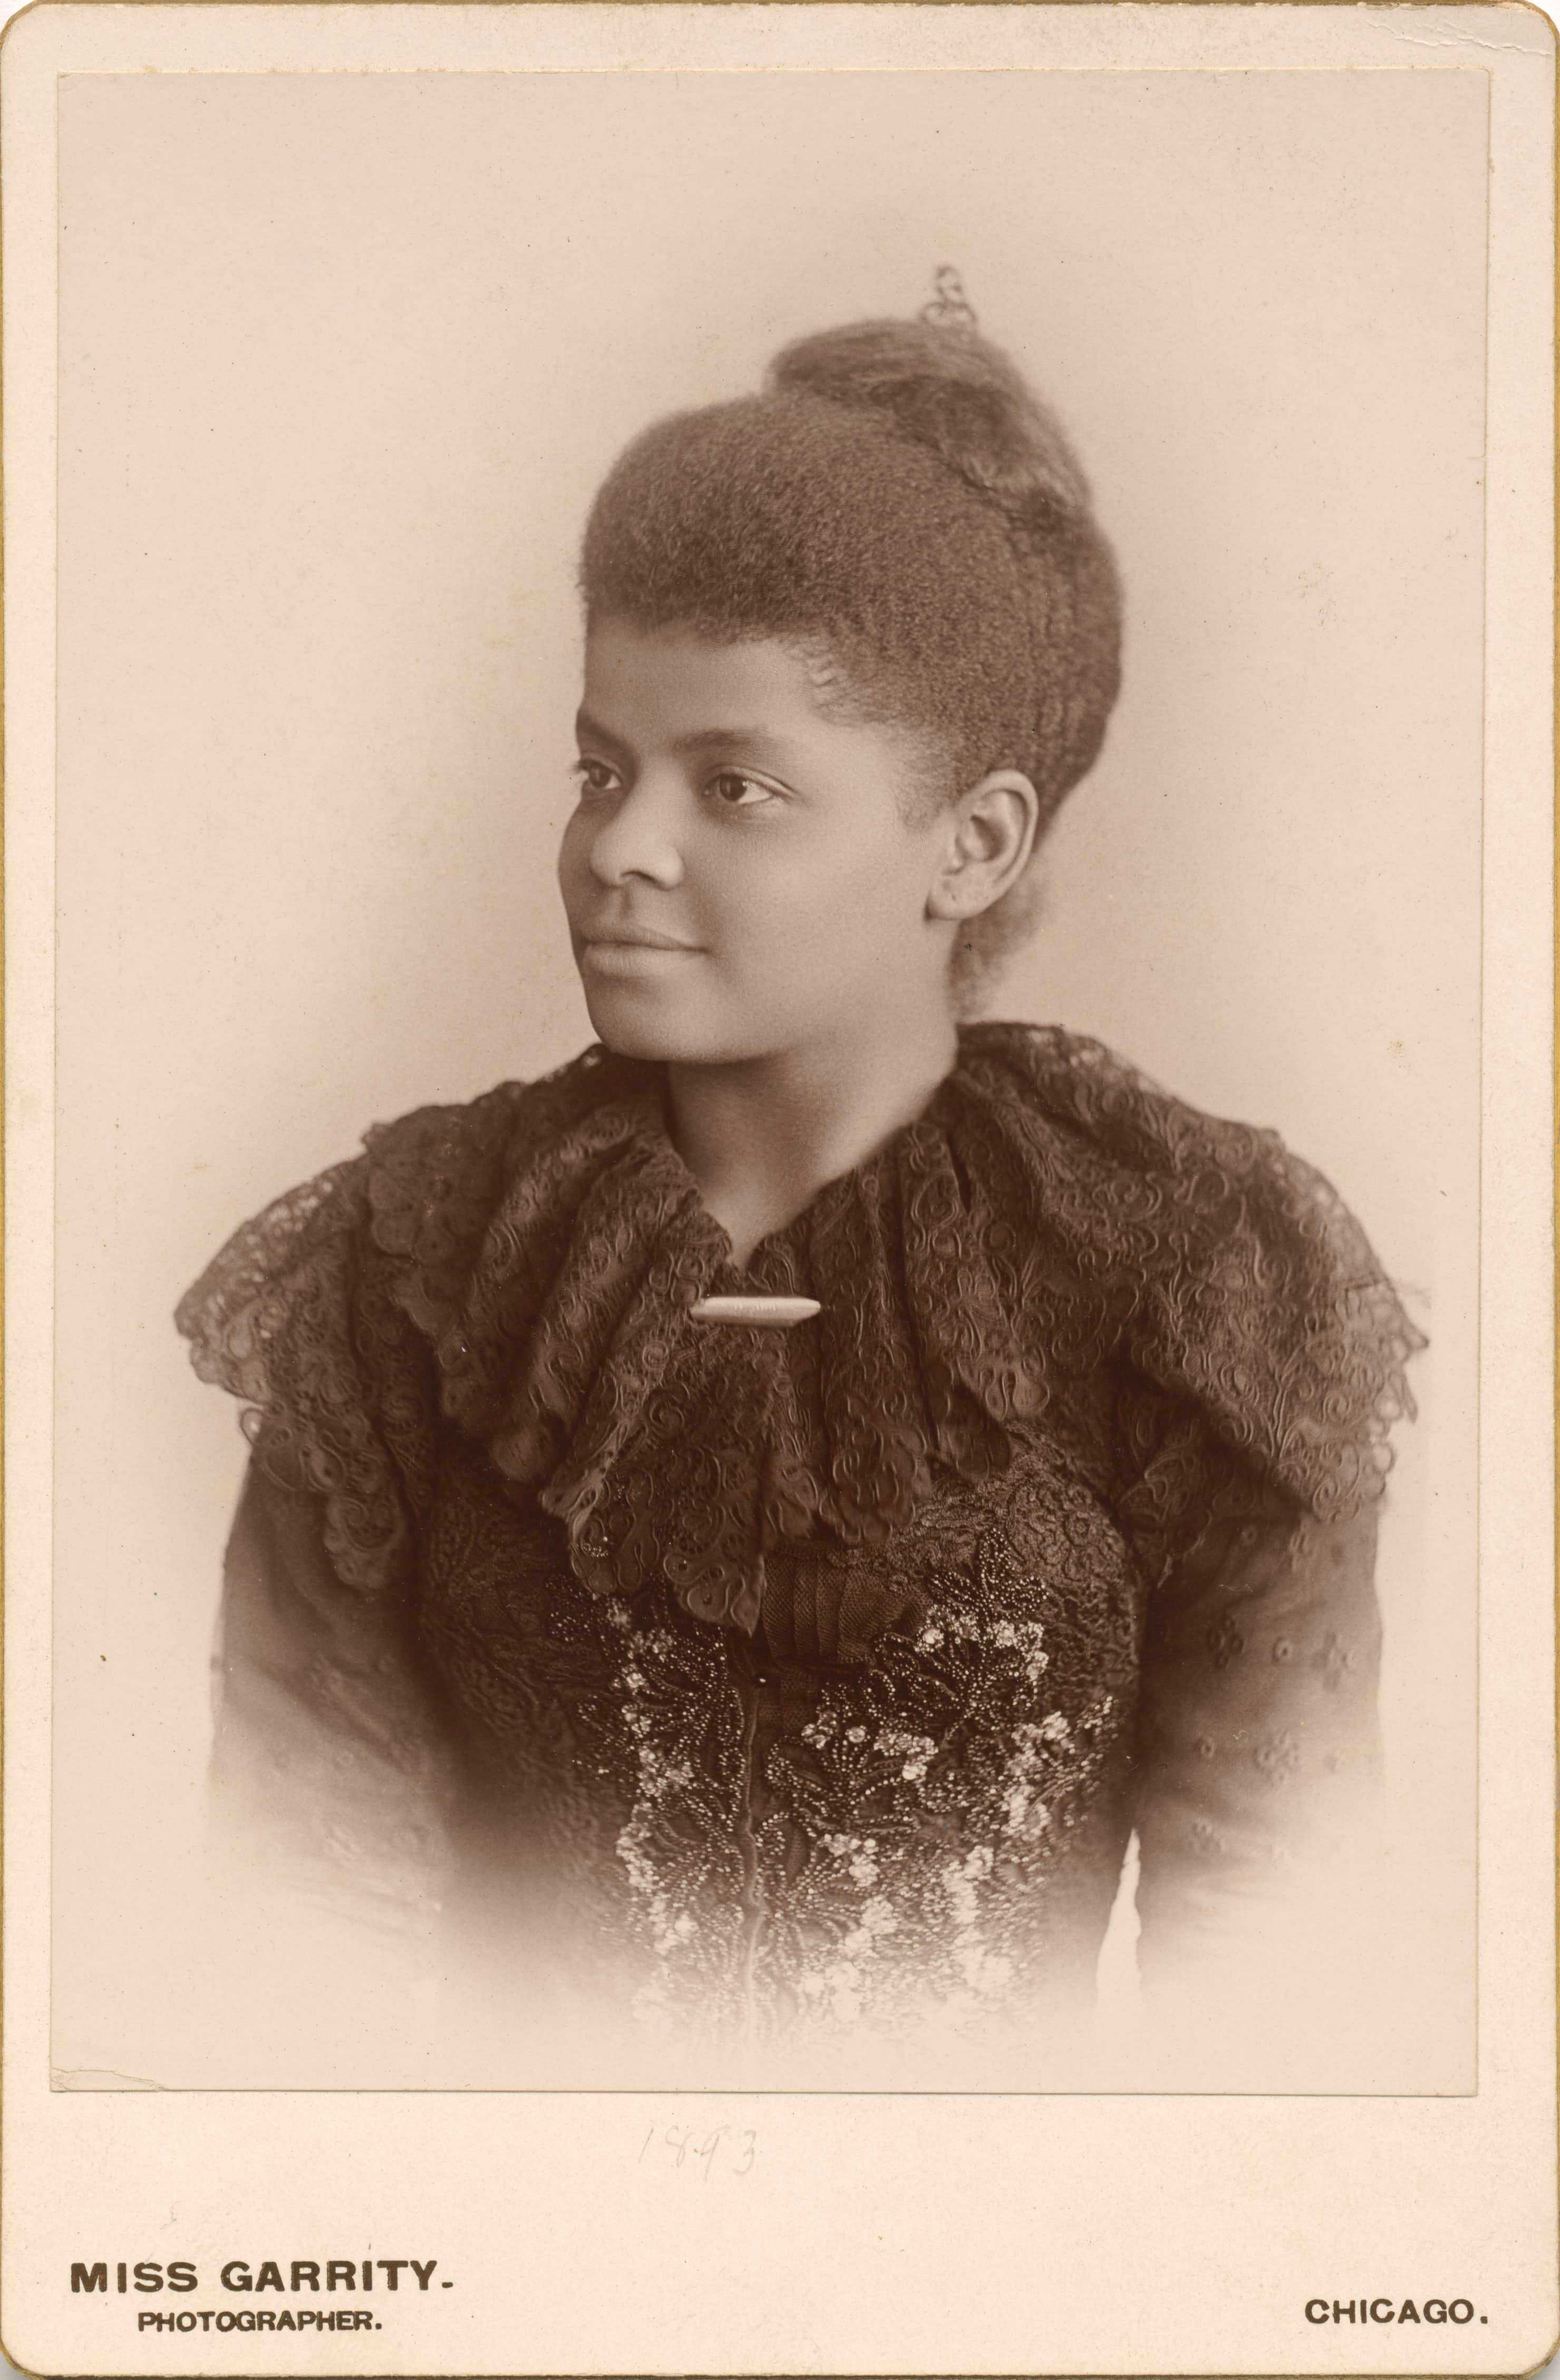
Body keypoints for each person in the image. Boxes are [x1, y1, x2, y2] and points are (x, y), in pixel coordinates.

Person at [176, 275, 1422, 2058]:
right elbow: (299, 1955)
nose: (622, 850)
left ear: (974, 845)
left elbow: (1288, 1980)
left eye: (733, 787)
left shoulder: (1190, 1274)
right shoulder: (413, 1276)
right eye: (601, 769)